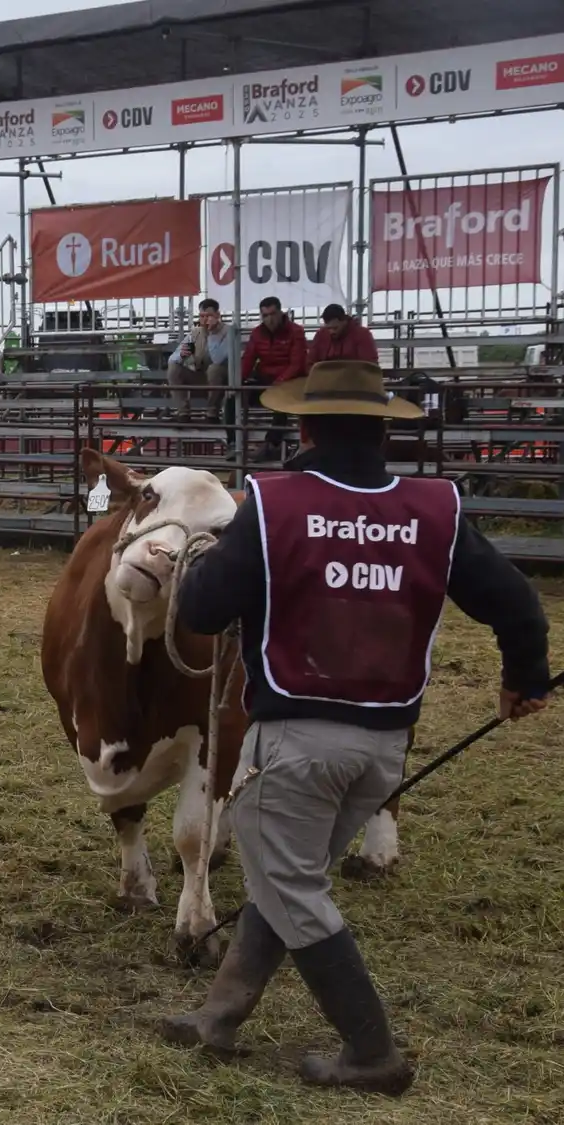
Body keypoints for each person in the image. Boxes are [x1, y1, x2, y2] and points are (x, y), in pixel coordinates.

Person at [159, 359, 552, 1096]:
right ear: (382, 431)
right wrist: (524, 677)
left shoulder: (274, 504)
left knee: (292, 886)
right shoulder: (436, 509)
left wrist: (206, 560)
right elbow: (518, 603)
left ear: (303, 426)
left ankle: (370, 1048)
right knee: (291, 875)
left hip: (297, 743)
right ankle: (218, 1015)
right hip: (383, 751)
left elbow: (203, 611)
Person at [239, 296, 308, 462]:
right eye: (265, 315)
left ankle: (272, 444)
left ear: (280, 313)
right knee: (233, 396)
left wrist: (281, 380)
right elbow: (248, 359)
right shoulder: (195, 333)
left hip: (288, 379)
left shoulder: (296, 331)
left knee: (281, 401)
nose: (269, 319)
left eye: (272, 314)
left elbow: (297, 363)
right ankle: (234, 442)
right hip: (266, 378)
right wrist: (238, 381)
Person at [167, 298, 232, 421]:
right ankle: (183, 413)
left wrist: (211, 334)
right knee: (174, 367)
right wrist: (182, 355)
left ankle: (212, 413)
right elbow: (173, 358)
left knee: (214, 369)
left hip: (222, 380)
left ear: (217, 315)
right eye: (202, 316)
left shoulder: (228, 332)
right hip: (201, 376)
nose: (205, 319)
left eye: (209, 316)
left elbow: (217, 359)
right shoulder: (196, 333)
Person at [308, 303, 380, 366]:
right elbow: (311, 361)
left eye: (335, 328)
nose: (331, 332)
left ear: (344, 321)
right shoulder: (321, 334)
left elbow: (370, 365)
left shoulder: (362, 335)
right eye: (328, 328)